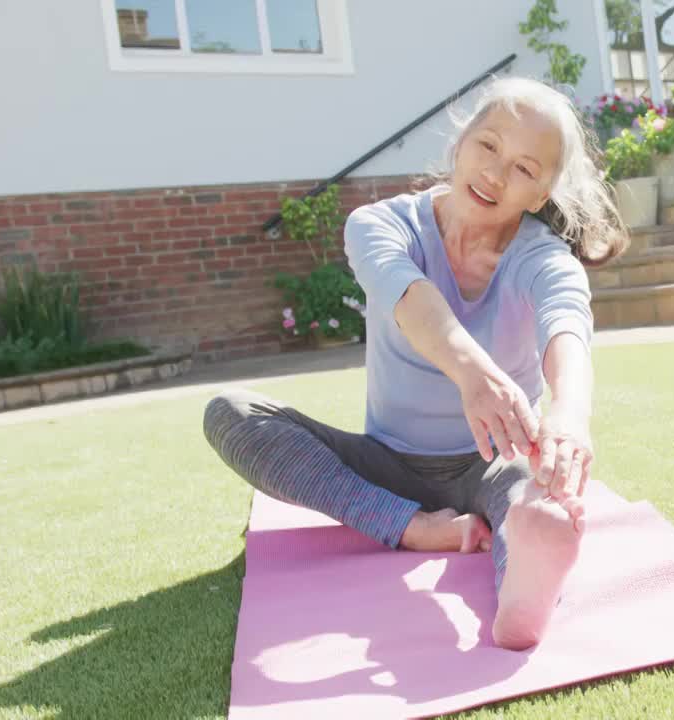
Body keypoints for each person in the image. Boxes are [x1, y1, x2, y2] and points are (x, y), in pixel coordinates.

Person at [203, 76, 627, 650]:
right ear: (460, 142)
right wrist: (473, 376)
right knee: (231, 411)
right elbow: (414, 302)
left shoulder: (543, 256)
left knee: (537, 504)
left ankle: (521, 596)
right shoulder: (379, 224)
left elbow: (567, 329)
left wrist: (570, 416)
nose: (497, 174)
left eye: (525, 169)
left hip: (496, 463)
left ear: (541, 194)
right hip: (386, 463)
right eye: (489, 146)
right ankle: (406, 525)